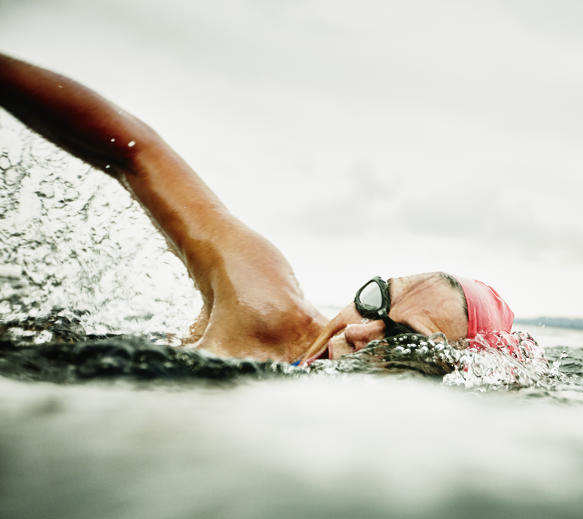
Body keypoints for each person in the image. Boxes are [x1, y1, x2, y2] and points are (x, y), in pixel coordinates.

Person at [0, 52, 514, 364]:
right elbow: (134, 151)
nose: (359, 331)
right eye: (377, 299)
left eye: (402, 340)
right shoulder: (261, 302)